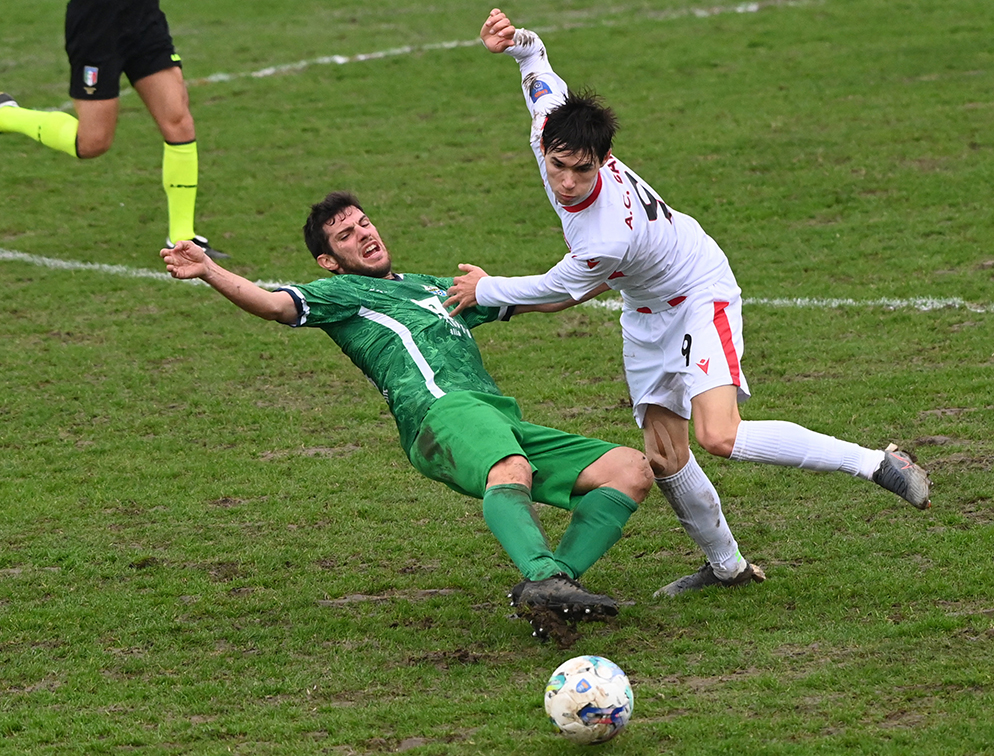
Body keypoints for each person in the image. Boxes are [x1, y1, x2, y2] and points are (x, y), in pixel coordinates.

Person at [445, 9, 932, 598]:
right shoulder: (549, 124)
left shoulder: (606, 233)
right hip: (644, 306)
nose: (568, 181)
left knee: (718, 436)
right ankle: (727, 568)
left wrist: (488, 291)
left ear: (602, 162)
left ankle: (875, 462)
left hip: (697, 290)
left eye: (583, 170)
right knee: (664, 452)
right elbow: (538, 64)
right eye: (558, 166)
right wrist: (516, 41)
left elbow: (559, 290)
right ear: (545, 146)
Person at [160, 191, 653, 644]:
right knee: (511, 469)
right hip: (437, 414)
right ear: (329, 261)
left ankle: (551, 589)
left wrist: (615, 266)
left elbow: (547, 298)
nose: (364, 234)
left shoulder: (432, 286)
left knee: (629, 470)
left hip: (495, 415)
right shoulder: (343, 295)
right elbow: (271, 305)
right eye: (346, 235)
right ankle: (544, 580)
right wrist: (208, 270)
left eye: (364, 223)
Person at [1, 0, 227, 259]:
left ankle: (182, 237)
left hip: (143, 18)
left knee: (178, 121)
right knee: (92, 142)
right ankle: (5, 114)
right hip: (96, 25)